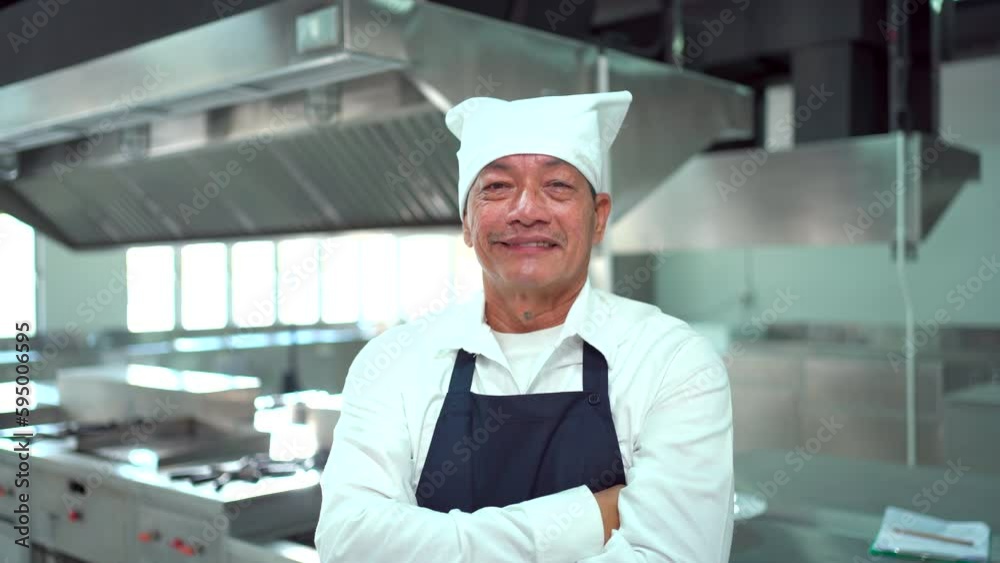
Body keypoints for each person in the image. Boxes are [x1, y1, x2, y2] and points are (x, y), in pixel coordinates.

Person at [315, 90, 734, 562]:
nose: (527, 210)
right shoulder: (392, 362)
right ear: (467, 223)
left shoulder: (670, 361)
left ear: (598, 218)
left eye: (557, 185)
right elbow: (348, 546)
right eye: (497, 187)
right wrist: (589, 519)